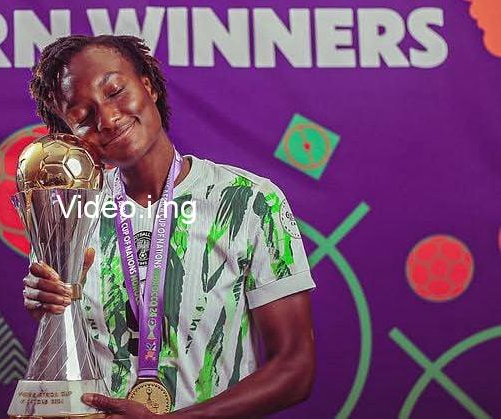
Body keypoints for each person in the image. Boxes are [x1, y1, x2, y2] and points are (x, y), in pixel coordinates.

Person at [22, 34, 316, 418]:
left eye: (115, 91)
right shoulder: (69, 214)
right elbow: (64, 354)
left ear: (148, 86)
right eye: (82, 115)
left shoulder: (249, 201)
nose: (107, 119)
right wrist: (50, 310)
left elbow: (295, 368)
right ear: (68, 133)